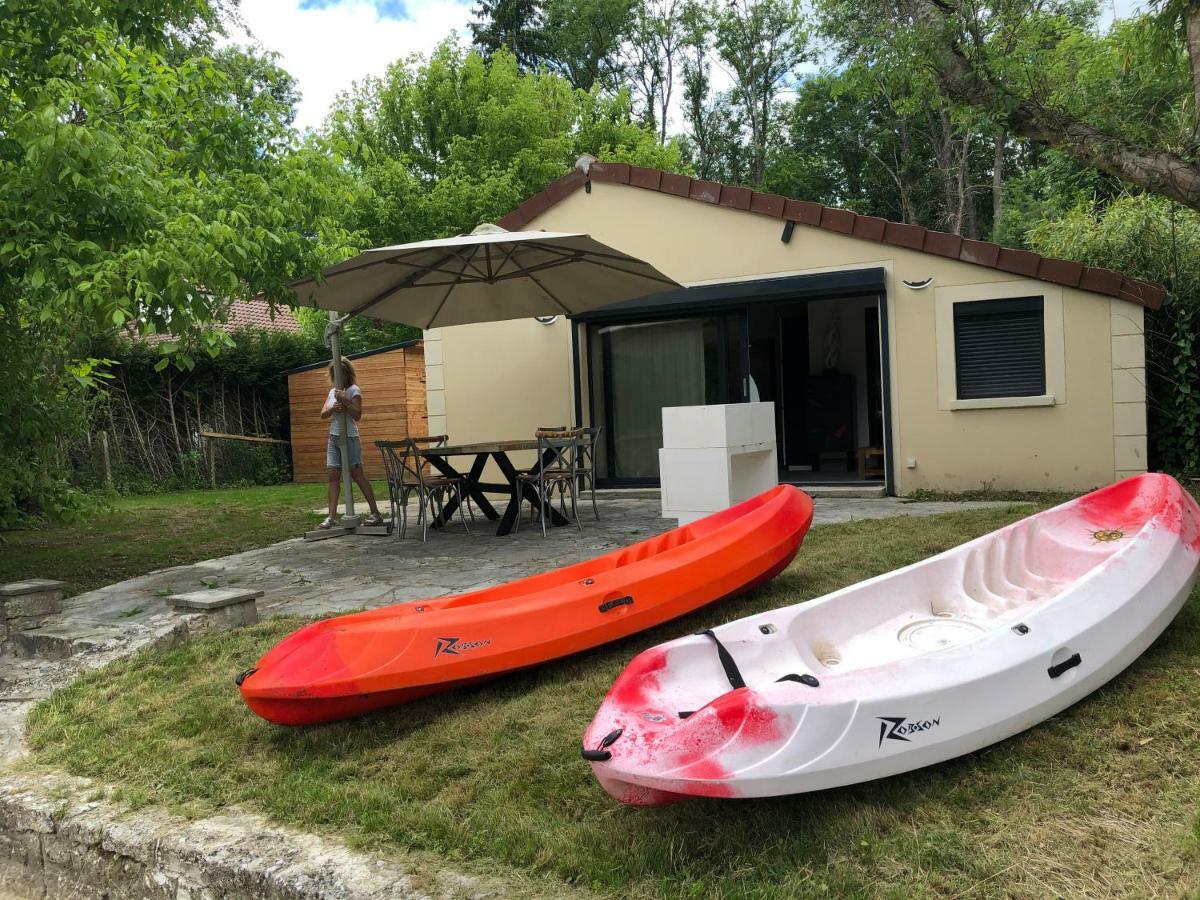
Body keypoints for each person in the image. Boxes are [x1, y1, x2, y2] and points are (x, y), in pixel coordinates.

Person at [318, 359, 384, 529]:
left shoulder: (354, 390)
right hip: (334, 437)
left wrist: (346, 402)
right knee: (333, 476)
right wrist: (333, 408)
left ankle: (375, 512)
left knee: (357, 474)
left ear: (347, 372)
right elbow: (323, 414)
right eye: (334, 374)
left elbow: (357, 415)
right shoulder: (332, 392)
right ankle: (331, 517)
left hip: (350, 437)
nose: (336, 376)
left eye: (339, 373)